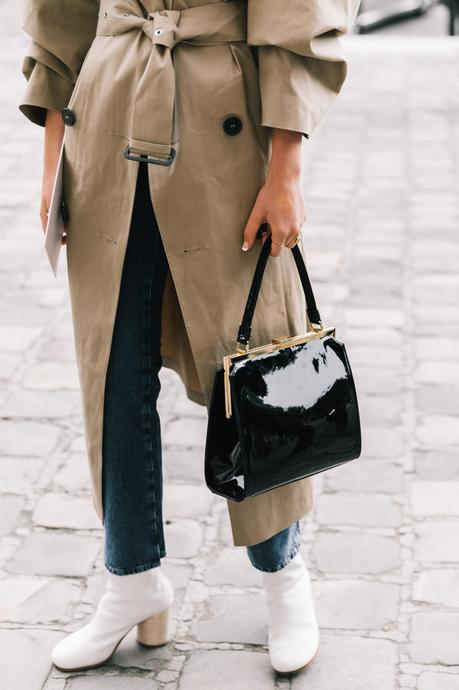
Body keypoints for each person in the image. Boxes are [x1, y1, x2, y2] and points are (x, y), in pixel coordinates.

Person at [19, 0, 360, 676]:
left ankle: (282, 572)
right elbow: (57, 19)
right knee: (111, 369)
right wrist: (53, 162)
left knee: (257, 365)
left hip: (222, 131)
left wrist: (285, 171)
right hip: (107, 122)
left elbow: (297, 15)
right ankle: (131, 579)